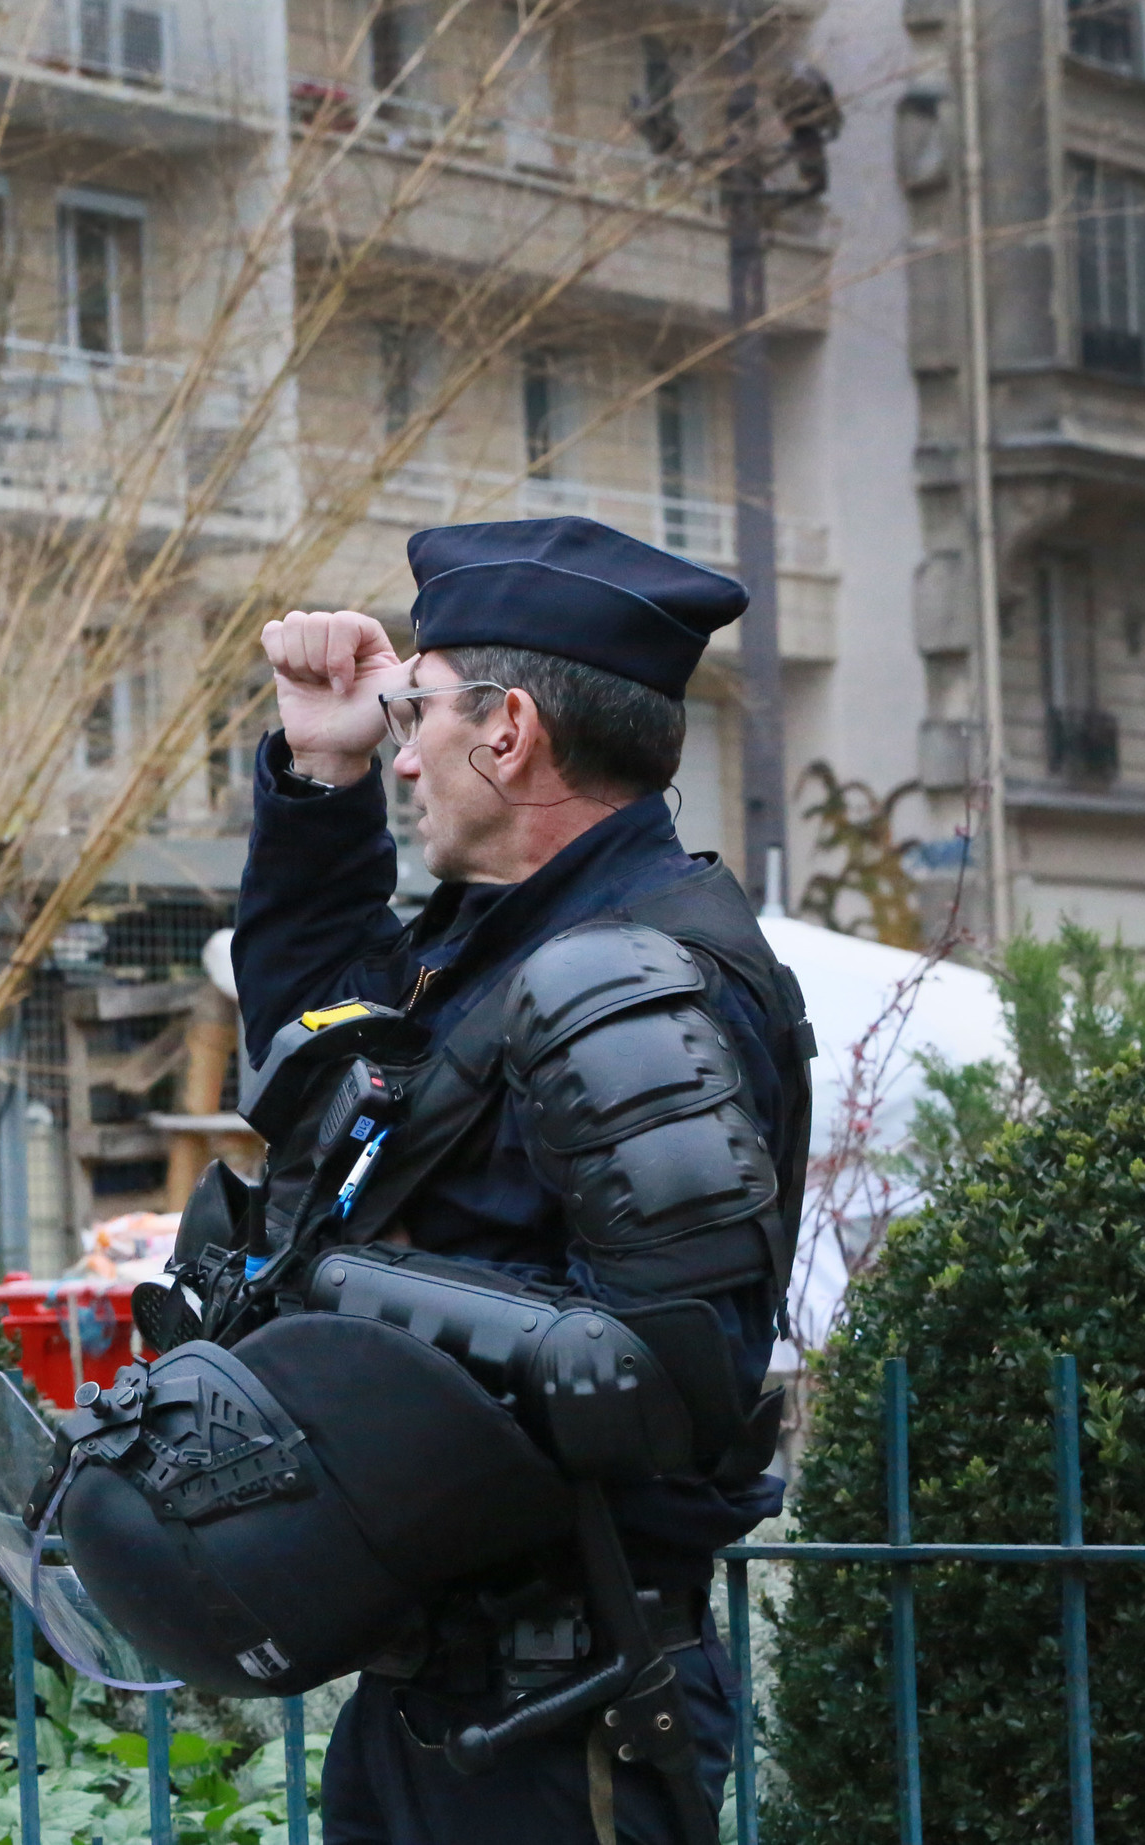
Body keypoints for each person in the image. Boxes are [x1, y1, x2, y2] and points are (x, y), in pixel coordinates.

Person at [231, 516, 812, 1845]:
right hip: (443, 1689)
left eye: (417, 708)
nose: (404, 747)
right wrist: (320, 768)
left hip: (564, 1719)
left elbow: (658, 1376)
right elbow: (318, 1068)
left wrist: (340, 1310)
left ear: (508, 734)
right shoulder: (505, 940)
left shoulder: (639, 977)